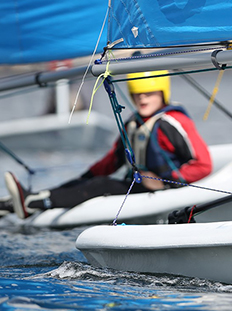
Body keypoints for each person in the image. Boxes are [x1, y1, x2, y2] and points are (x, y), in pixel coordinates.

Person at [5, 70, 213, 219]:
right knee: (87, 181)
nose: (142, 99)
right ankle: (19, 203)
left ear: (162, 94)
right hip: (139, 185)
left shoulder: (173, 122)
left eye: (149, 94)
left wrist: (167, 181)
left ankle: (32, 203)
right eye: (137, 95)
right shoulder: (134, 122)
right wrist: (84, 176)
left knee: (101, 185)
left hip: (164, 189)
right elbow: (113, 159)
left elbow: (203, 165)